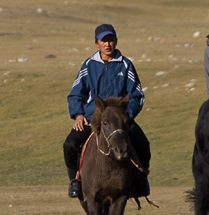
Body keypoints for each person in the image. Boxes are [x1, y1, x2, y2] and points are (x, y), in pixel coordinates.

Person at [63, 23, 151, 199]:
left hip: (119, 119)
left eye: (110, 40)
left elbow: (137, 95)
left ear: (116, 41)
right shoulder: (89, 65)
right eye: (103, 41)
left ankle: (141, 180)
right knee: (70, 145)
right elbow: (75, 94)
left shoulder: (126, 65)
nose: (107, 44)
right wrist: (78, 115)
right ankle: (75, 181)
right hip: (91, 118)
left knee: (143, 144)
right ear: (97, 43)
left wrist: (126, 116)